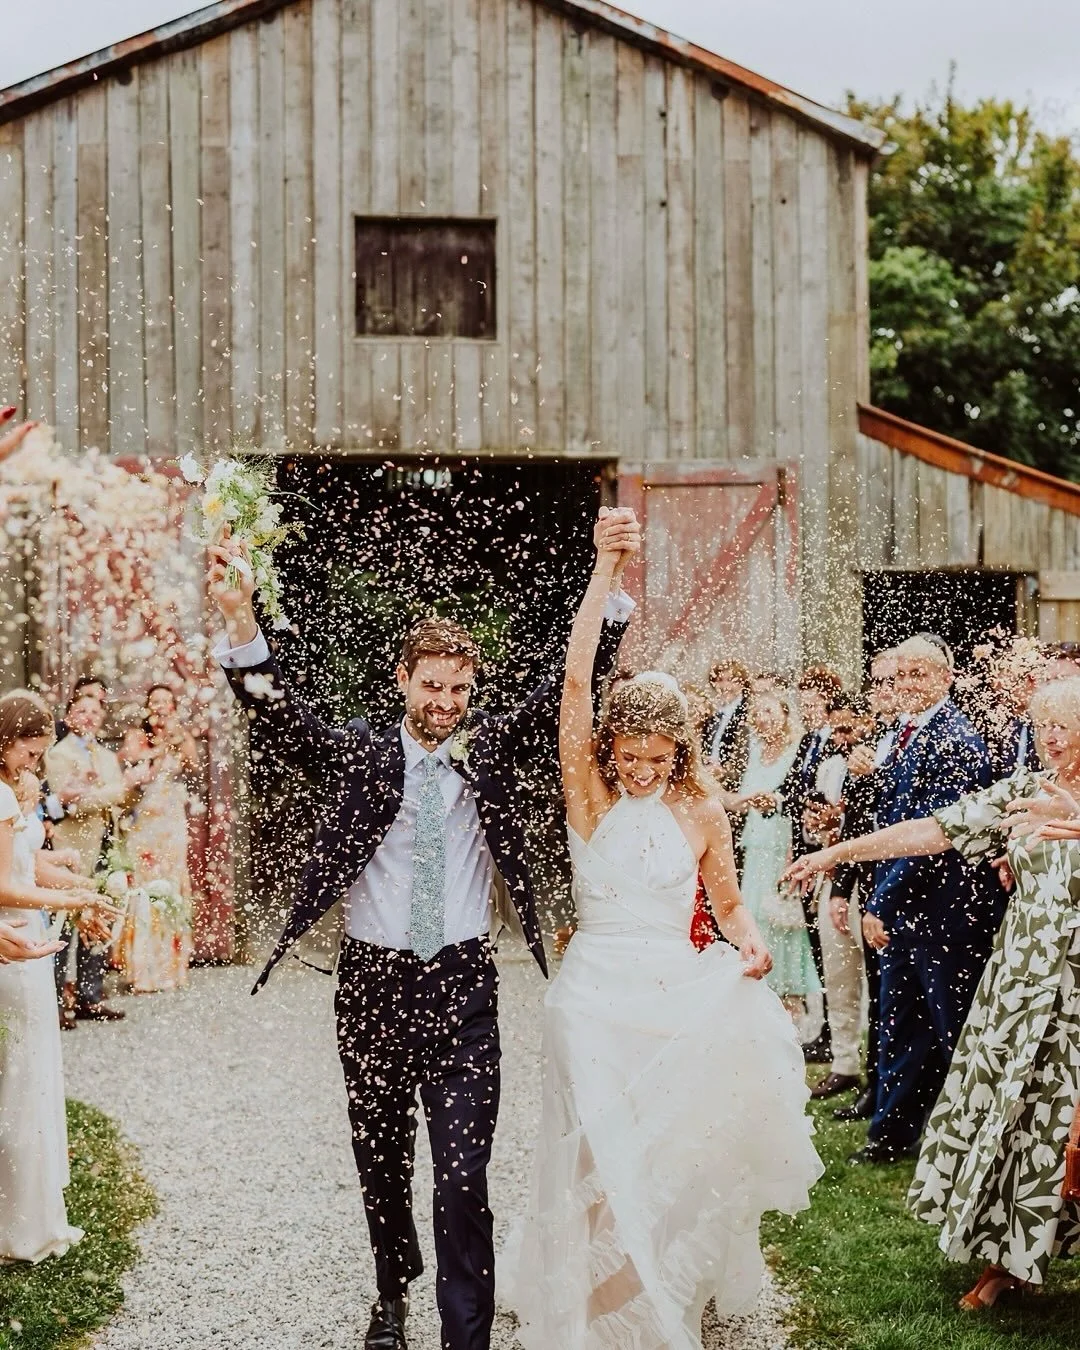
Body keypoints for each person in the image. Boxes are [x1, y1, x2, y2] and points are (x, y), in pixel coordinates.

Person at [209, 510, 637, 1350]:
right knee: (381, 1164)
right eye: (431, 686)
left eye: (458, 690)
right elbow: (278, 712)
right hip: (370, 986)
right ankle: (390, 1294)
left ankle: (463, 1334)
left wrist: (607, 580)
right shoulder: (360, 754)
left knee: (462, 1173)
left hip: (465, 987)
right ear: (402, 680)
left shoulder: (491, 750)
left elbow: (569, 681)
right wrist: (239, 618)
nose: (444, 704)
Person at [503, 525, 821, 1349]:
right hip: (592, 996)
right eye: (627, 753)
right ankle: (600, 1292)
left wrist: (749, 943)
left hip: (673, 993)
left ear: (678, 750)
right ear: (608, 744)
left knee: (670, 1149)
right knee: (599, 1144)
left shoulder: (703, 810)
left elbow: (727, 905)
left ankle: (657, 1279)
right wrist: (605, 565)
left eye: (655, 757)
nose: (639, 769)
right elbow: (577, 680)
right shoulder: (591, 795)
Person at [785, 676, 1080, 1311]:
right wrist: (835, 853)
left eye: (1067, 724)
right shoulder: (1024, 792)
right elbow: (933, 831)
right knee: (1022, 1120)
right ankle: (1009, 1258)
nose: (1052, 737)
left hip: (1076, 993)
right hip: (1020, 987)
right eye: (1045, 723)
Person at [786, 634, 1004, 1165]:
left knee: (952, 1031)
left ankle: (975, 1145)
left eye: (918, 675)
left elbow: (930, 836)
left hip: (947, 913)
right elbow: (884, 824)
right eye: (899, 675)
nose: (906, 685)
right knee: (900, 1025)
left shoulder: (956, 739)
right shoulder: (899, 734)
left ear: (946, 680)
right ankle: (892, 1135)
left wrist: (878, 902)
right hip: (905, 907)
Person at [0, 690, 120, 1264]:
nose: (34, 763)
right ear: (6, 740)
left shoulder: (11, 793)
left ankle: (36, 1217)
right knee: (19, 1080)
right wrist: (72, 898)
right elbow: (2, 886)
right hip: (14, 943)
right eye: (29, 751)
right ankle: (16, 1225)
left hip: (31, 938)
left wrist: (59, 870)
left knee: (34, 1075)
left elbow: (21, 863)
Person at [733, 688, 821, 1021]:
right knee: (753, 914)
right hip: (755, 843)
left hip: (781, 842)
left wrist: (776, 804)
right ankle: (758, 993)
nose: (762, 718)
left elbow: (796, 797)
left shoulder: (796, 750)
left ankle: (788, 1005)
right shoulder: (754, 751)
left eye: (769, 711)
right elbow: (742, 796)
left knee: (781, 920)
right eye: (757, 712)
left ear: (785, 713)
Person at [45, 684, 130, 1022]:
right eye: (83, 710)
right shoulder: (58, 755)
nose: (90, 717)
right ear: (69, 716)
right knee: (64, 923)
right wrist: (114, 790)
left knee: (101, 916)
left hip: (106, 844)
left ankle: (90, 995)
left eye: (96, 712)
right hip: (71, 849)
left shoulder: (108, 757)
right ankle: (54, 1002)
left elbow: (115, 800)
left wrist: (109, 793)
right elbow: (73, 806)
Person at [807, 697, 877, 1102]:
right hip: (836, 878)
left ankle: (876, 1076)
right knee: (837, 976)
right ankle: (844, 1063)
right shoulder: (834, 766)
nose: (842, 738)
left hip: (867, 884)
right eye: (836, 730)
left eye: (849, 729)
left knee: (876, 986)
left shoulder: (873, 761)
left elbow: (865, 829)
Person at [115, 685, 198, 992]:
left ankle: (170, 969)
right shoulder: (137, 737)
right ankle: (140, 969)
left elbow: (193, 766)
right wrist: (161, 745)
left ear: (174, 707)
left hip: (172, 822)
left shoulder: (180, 736)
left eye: (167, 701)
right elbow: (134, 764)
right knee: (144, 889)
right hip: (144, 824)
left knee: (172, 886)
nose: (161, 707)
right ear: (148, 708)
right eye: (156, 702)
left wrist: (178, 736)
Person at [701, 660, 750, 791]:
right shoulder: (715, 715)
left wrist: (723, 772)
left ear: (742, 683)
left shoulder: (747, 713)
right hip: (709, 778)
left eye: (730, 680)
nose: (724, 686)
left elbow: (744, 756)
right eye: (720, 680)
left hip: (733, 784)